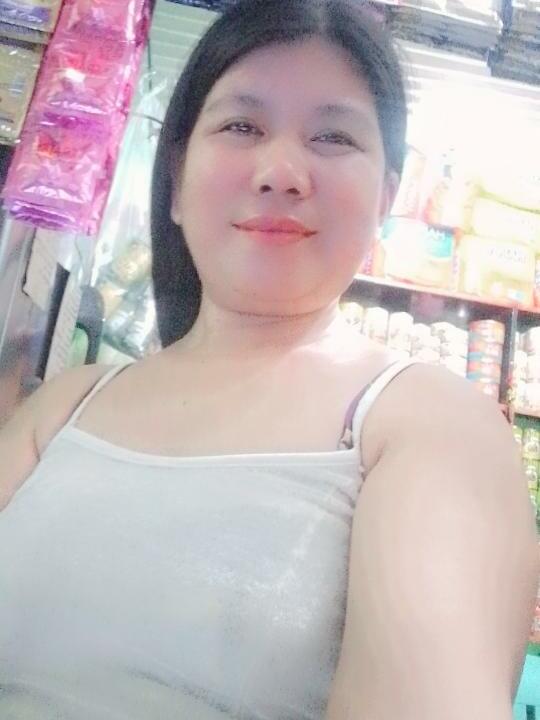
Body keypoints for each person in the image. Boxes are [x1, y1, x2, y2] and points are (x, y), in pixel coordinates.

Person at [0, 0, 538, 718]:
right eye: (242, 126)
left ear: (385, 197)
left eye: (333, 136)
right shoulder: (67, 405)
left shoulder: (430, 425)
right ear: (176, 180)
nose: (281, 172)